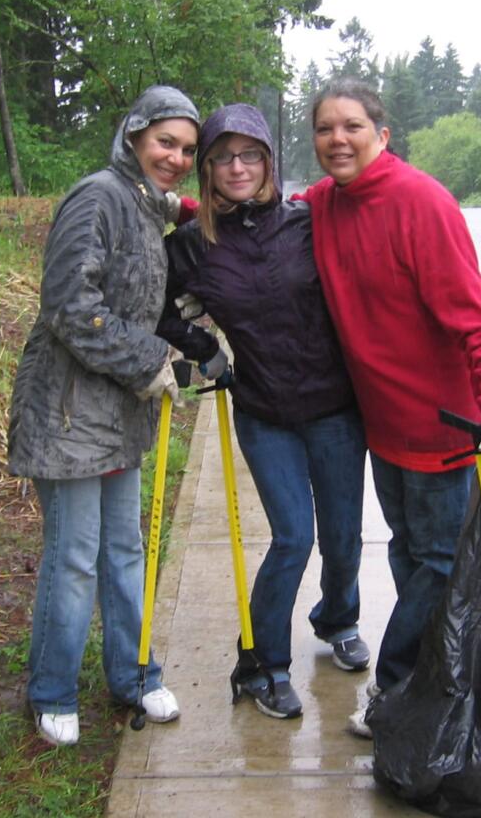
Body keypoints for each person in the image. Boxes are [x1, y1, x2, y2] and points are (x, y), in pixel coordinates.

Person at [295, 77, 481, 738]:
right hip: (385, 426)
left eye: (352, 127)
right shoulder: (326, 203)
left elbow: (473, 315)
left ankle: (396, 685)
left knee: (439, 564)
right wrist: (180, 211)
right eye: (324, 128)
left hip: (442, 428)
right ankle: (434, 671)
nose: (337, 139)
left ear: (383, 134)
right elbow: (256, 215)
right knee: (411, 555)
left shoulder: (421, 203)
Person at [159, 104, 369, 720]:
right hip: (264, 408)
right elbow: (157, 306)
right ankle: (263, 664)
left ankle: (338, 619)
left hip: (334, 406)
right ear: (207, 170)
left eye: (250, 154)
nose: (237, 167)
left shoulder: (307, 223)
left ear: (269, 161)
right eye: (223, 157)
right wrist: (204, 348)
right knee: (293, 536)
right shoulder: (194, 246)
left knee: (342, 532)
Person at [7, 86, 199, 747]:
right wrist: (150, 359)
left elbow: (153, 249)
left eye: (186, 150)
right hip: (66, 412)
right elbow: (68, 305)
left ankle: (135, 674)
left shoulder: (146, 206)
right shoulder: (98, 196)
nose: (175, 157)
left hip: (120, 413)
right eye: (164, 142)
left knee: (125, 550)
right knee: (74, 559)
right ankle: (52, 690)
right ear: (134, 135)